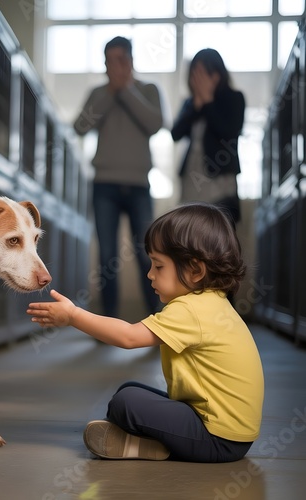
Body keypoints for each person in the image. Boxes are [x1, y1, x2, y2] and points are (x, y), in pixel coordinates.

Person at [27, 203, 264, 463]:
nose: (150, 274)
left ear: (196, 270)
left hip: (217, 439)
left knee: (126, 402)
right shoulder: (213, 302)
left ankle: (151, 445)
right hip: (231, 435)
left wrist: (73, 316)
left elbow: (129, 336)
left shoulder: (192, 309)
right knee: (130, 390)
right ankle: (150, 445)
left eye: (159, 266)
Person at [73, 36, 164, 317]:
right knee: (107, 257)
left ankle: (156, 320)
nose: (115, 66)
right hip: (104, 186)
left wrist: (125, 90)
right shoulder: (98, 94)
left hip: (139, 185)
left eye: (120, 60)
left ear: (131, 61)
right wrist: (111, 92)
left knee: (146, 254)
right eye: (109, 61)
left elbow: (154, 124)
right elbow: (80, 126)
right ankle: (107, 321)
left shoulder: (148, 90)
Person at [171, 48, 245, 225]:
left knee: (218, 236)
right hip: (191, 180)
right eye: (195, 74)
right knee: (190, 234)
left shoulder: (233, 98)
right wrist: (196, 106)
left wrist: (208, 102)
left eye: (203, 73)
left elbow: (230, 132)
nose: (197, 79)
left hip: (220, 182)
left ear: (217, 75)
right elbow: (176, 133)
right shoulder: (190, 103)